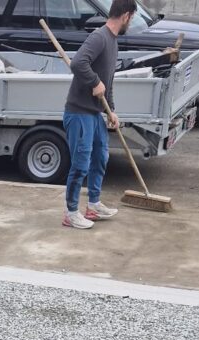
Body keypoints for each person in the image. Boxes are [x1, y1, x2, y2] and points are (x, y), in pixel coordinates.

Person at [61, 0, 137, 230]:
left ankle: (93, 205)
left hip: (95, 113)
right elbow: (78, 63)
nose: (130, 23)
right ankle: (71, 212)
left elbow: (108, 83)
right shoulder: (99, 37)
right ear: (125, 16)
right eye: (132, 18)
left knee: (100, 158)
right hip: (79, 112)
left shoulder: (112, 41)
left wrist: (110, 110)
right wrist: (94, 81)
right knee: (80, 165)